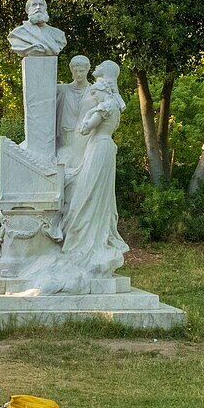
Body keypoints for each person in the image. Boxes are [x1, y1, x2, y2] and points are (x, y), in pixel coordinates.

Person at [58, 60, 130, 277]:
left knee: (88, 191)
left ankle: (83, 238)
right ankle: (95, 234)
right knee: (99, 194)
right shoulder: (115, 104)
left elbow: (83, 129)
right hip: (107, 149)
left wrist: (88, 117)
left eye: (95, 95)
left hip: (97, 149)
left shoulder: (104, 107)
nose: (93, 98)